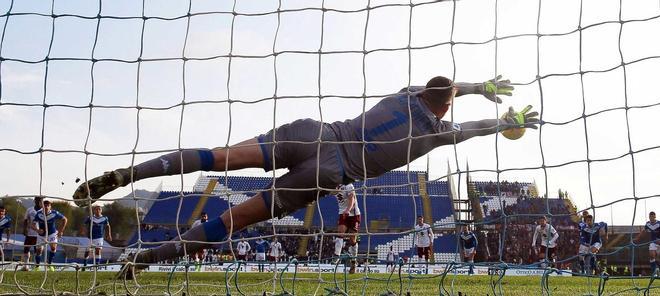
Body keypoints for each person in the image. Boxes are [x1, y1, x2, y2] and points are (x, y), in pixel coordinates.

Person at [72, 76, 538, 278]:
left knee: (219, 156)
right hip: (332, 170)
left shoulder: (405, 93)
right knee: (237, 218)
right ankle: (149, 259)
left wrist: (479, 87)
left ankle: (129, 173)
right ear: (449, 106)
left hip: (313, 133)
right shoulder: (436, 133)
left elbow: (445, 86)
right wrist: (502, 120)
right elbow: (471, 129)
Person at [31, 200, 68, 271]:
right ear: (42, 206)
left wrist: (60, 231)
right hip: (41, 235)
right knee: (39, 251)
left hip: (52, 234)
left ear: (50, 207)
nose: (46, 207)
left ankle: (49, 264)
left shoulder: (54, 213)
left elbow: (65, 219)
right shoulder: (38, 214)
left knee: (53, 248)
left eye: (48, 206)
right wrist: (37, 230)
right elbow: (32, 225)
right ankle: (37, 267)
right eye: (45, 205)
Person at [335, 183, 361, 273]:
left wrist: (348, 210)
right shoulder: (333, 185)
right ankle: (336, 256)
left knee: (352, 239)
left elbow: (352, 198)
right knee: (340, 233)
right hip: (342, 213)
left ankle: (354, 262)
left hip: (354, 214)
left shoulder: (349, 185)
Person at [81, 205, 112, 270]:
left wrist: (109, 234)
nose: (97, 211)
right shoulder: (90, 218)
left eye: (99, 209)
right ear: (94, 211)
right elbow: (84, 224)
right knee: (87, 251)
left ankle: (97, 265)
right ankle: (84, 264)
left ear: (101, 210)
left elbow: (108, 226)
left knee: (98, 250)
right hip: (91, 237)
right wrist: (83, 231)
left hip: (99, 237)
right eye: (96, 209)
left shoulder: (104, 218)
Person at [22, 196, 43, 271]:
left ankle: (36, 267)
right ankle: (26, 266)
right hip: (30, 233)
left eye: (40, 200)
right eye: (37, 200)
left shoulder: (44, 210)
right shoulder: (29, 209)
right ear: (35, 201)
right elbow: (25, 220)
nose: (39, 202)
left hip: (39, 235)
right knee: (26, 249)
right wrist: (24, 229)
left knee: (38, 250)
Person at [635, 211, 660, 276]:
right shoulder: (648, 224)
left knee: (658, 258)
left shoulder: (659, 223)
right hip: (653, 242)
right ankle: (654, 273)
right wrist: (637, 238)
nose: (651, 218)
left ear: (655, 216)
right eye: (650, 216)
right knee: (652, 256)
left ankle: (658, 270)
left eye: (652, 216)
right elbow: (644, 231)